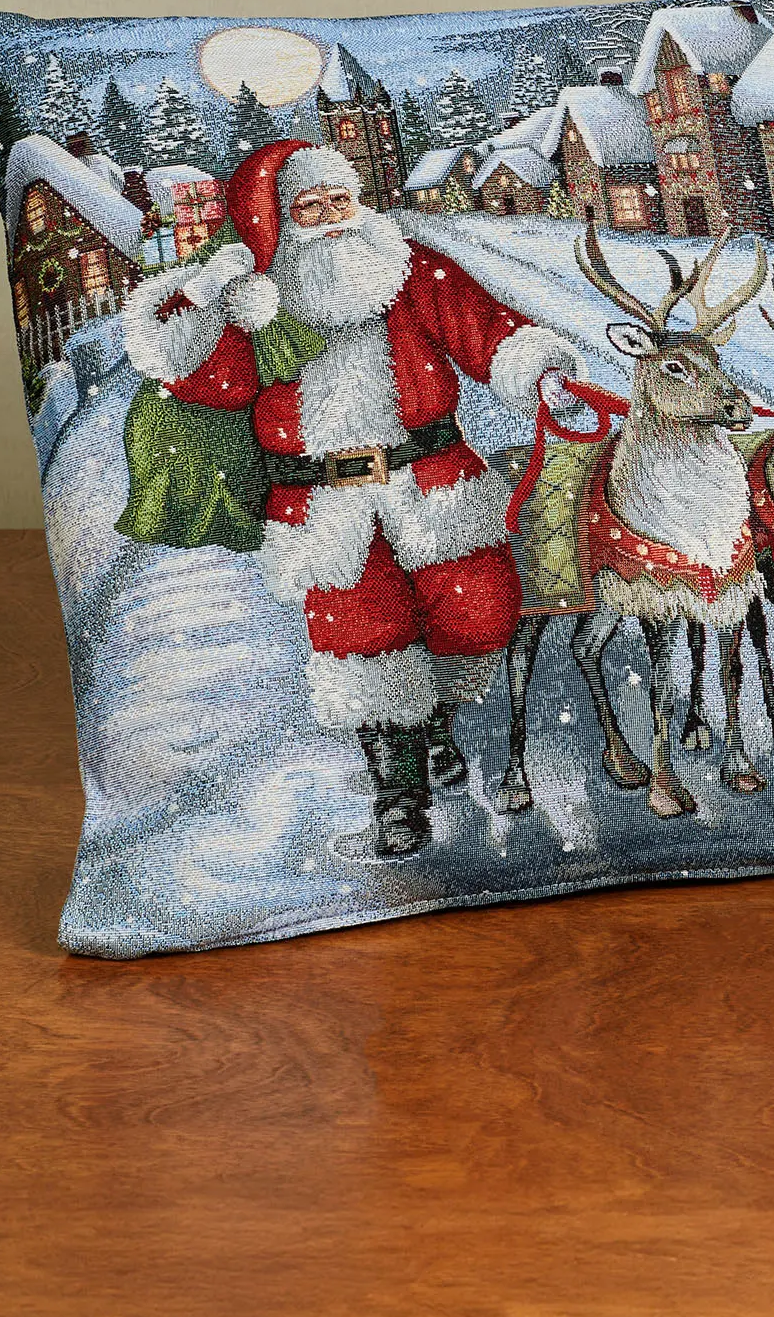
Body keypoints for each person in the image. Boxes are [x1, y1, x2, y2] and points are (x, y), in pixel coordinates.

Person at [122, 139, 582, 856]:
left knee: (480, 613)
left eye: (341, 199)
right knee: (363, 642)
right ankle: (399, 796)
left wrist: (541, 373)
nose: (333, 217)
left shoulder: (406, 267)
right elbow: (207, 382)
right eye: (311, 206)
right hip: (322, 505)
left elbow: (481, 326)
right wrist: (204, 300)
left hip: (432, 480)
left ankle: (432, 720)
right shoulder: (258, 305)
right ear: (280, 222)